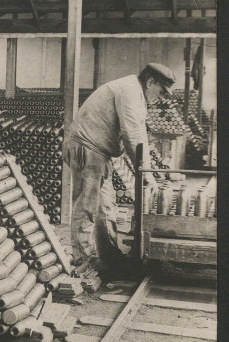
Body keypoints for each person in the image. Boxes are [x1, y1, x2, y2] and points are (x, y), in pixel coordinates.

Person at [63, 63, 175, 270]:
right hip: (87, 149)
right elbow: (131, 134)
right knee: (87, 204)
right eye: (160, 92)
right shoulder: (129, 91)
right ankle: (83, 259)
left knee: (105, 204)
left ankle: (109, 257)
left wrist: (148, 171)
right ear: (150, 82)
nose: (161, 98)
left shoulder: (137, 94)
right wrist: (145, 173)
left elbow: (140, 135)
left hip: (99, 152)